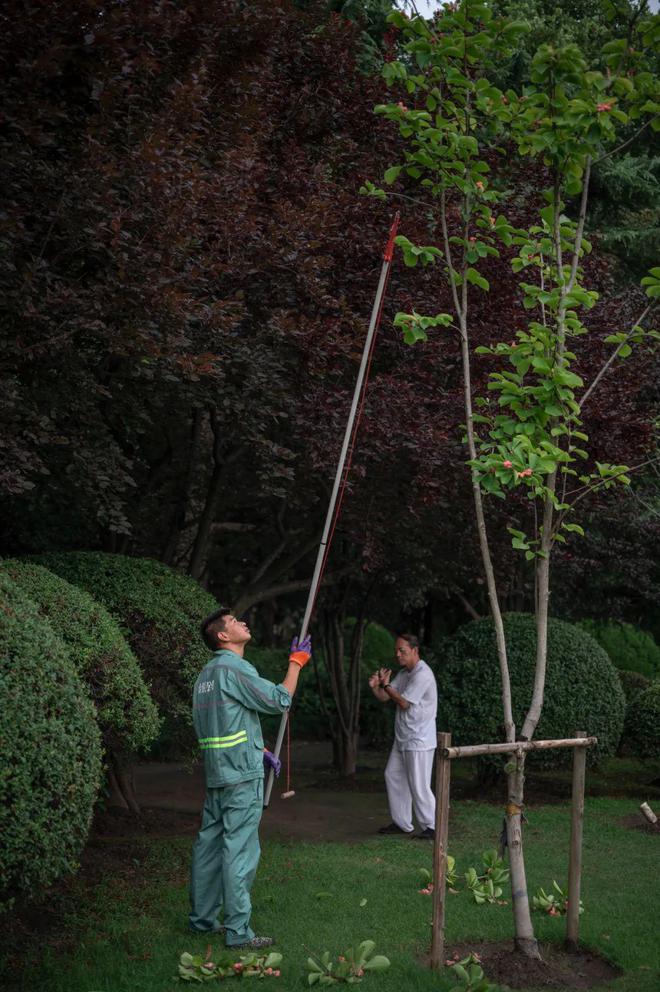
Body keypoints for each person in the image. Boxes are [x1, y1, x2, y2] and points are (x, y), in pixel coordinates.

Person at [189, 608, 311, 948]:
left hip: (217, 776)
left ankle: (201, 921)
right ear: (224, 637)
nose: (242, 622)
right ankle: (238, 932)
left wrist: (259, 750)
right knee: (239, 851)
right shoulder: (234, 668)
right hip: (240, 778)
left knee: (209, 848)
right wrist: (296, 663)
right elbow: (278, 699)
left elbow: (221, 726)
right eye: (234, 622)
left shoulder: (205, 676)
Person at [368, 632, 437, 840]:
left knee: (419, 784)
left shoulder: (423, 674)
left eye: (402, 651)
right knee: (393, 775)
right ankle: (401, 823)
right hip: (403, 738)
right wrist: (376, 687)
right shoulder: (404, 673)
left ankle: (432, 826)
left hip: (419, 739)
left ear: (415, 651)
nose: (398, 654)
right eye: (396, 650)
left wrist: (387, 685)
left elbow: (404, 702)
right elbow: (385, 697)